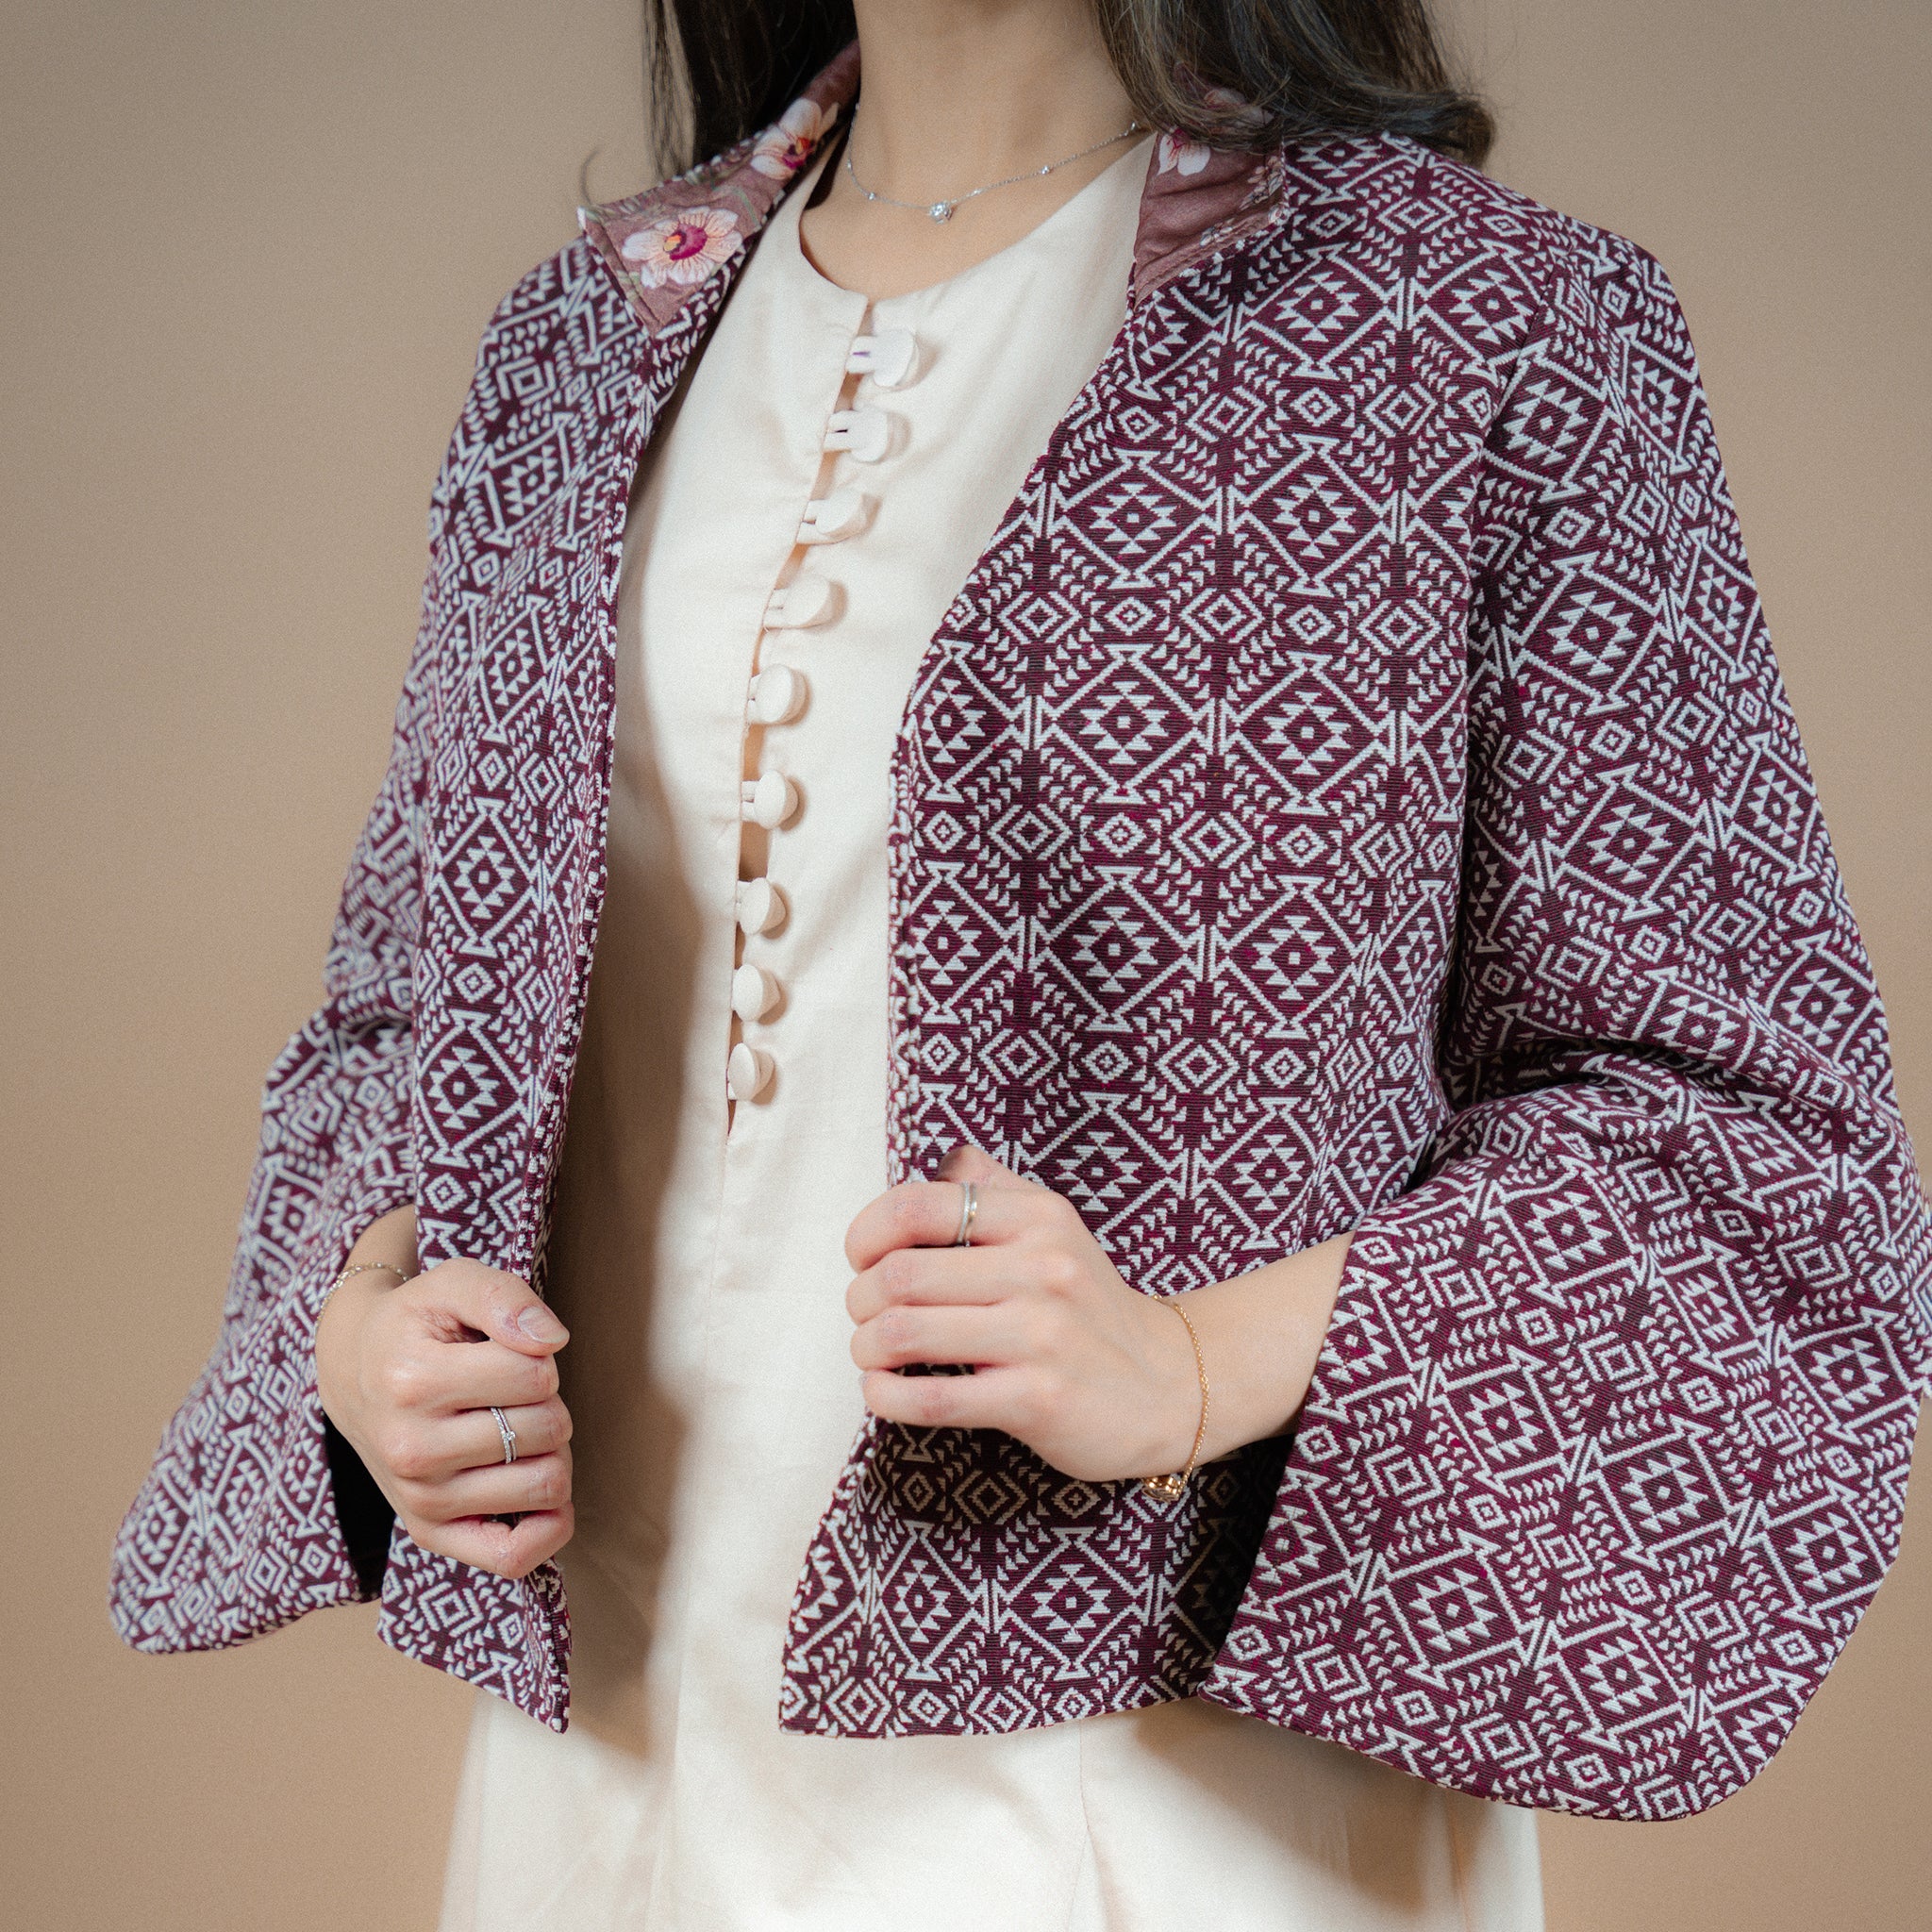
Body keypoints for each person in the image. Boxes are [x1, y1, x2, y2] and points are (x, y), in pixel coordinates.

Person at [111, 3, 1932, 1928]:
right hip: (615, 1758)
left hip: (1160, 1777)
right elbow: (398, 1016)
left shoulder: (1471, 320)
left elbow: (1738, 1128)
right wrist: (359, 1329)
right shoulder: (581, 337)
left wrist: (1190, 1363)